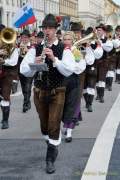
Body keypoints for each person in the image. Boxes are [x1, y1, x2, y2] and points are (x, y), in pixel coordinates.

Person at [20, 14, 77, 174]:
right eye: (45, 28)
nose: (47, 31)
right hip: (39, 91)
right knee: (44, 125)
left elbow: (68, 70)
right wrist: (34, 64)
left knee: (53, 123)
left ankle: (50, 159)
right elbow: (24, 70)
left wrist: (54, 59)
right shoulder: (35, 48)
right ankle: (52, 145)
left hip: (57, 91)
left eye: (50, 28)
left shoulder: (63, 49)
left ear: (55, 30)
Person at [62, 31, 86, 142]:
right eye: (65, 39)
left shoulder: (76, 52)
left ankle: (69, 132)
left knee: (73, 104)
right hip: (62, 81)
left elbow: (81, 67)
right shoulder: (60, 50)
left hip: (73, 80)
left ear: (72, 41)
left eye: (68, 39)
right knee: (62, 105)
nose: (66, 41)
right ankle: (65, 124)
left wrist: (70, 67)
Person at [0, 24, 19, 129]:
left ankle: (5, 120)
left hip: (8, 75)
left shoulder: (13, 48)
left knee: (5, 96)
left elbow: (13, 62)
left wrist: (4, 60)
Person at [18, 29, 34, 113]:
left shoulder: (32, 46)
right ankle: (27, 101)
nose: (24, 39)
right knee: (24, 87)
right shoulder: (17, 46)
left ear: (28, 38)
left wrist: (28, 51)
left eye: (25, 37)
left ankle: (25, 104)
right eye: (22, 37)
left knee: (28, 86)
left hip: (29, 69)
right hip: (20, 69)